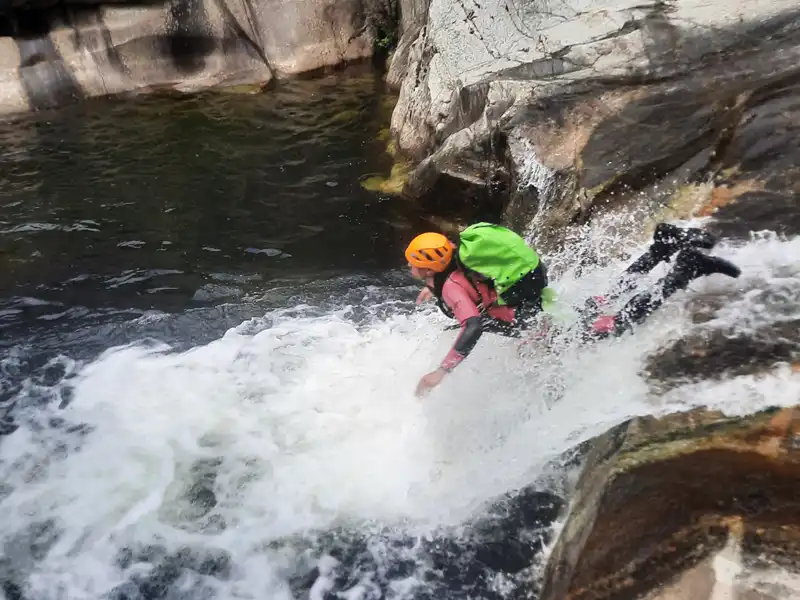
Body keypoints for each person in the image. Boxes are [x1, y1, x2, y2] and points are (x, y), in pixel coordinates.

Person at [405, 222, 741, 397]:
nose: (409, 270)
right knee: (605, 299)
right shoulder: (457, 264)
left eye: (414, 267)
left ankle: (685, 270)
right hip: (542, 308)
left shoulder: (449, 286)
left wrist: (442, 371)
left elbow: (474, 325)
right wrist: (431, 289)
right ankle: (659, 250)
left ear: (428, 269)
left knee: (615, 324)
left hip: (544, 322)